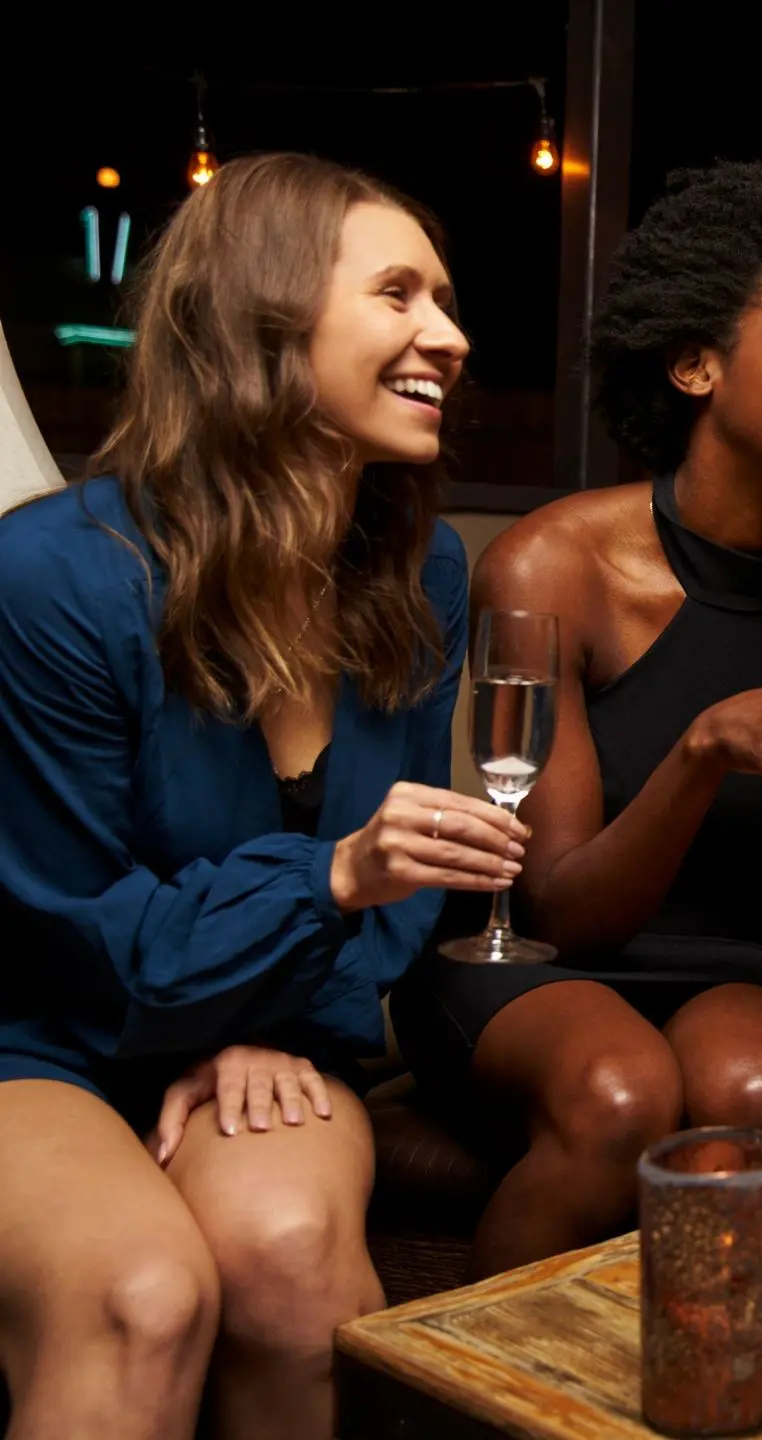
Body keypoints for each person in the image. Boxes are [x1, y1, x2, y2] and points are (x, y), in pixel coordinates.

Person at [391, 163, 762, 1278]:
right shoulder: (555, 563)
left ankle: (712, 1376)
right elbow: (561, 910)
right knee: (620, 1092)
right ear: (694, 363)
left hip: (739, 954)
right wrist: (706, 746)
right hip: (540, 956)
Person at [0, 153, 513, 1440]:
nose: (445, 336)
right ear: (265, 320)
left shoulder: (421, 571)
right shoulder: (54, 578)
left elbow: (396, 912)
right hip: (40, 1036)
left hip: (274, 1019)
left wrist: (268, 993)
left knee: (286, 1259)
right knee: (142, 1295)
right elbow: (71, 930)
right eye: (397, 295)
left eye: (446, 300)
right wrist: (325, 885)